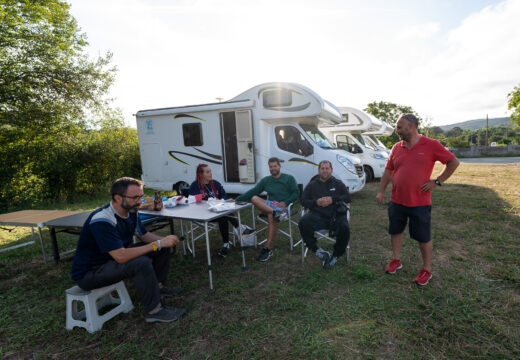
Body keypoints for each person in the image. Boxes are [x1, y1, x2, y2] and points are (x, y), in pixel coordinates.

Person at [70, 177, 186, 323]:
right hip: (90, 272)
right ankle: (154, 311)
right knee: (141, 262)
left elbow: (144, 235)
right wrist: (158, 243)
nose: (140, 201)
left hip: (112, 258)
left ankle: (158, 286)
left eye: (141, 197)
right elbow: (121, 257)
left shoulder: (131, 210)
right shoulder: (102, 220)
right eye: (135, 197)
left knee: (161, 248)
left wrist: (165, 241)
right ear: (118, 198)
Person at [376, 114, 459, 286]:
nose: (397, 131)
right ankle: (396, 260)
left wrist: (437, 181)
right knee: (395, 230)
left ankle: (426, 269)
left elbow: (453, 162)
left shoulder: (431, 145)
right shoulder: (396, 147)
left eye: (400, 127)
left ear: (412, 127)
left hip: (419, 203)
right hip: (397, 200)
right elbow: (387, 170)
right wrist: (381, 191)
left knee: (423, 237)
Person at [235, 157, 299, 262]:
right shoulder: (266, 180)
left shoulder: (289, 178)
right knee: (254, 198)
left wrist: (285, 202)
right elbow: (253, 191)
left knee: (270, 215)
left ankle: (267, 248)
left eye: (275, 166)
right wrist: (237, 199)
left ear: (279, 166)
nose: (273, 168)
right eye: (271, 167)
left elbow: (296, 193)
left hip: (284, 207)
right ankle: (274, 212)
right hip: (271, 205)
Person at [188, 164, 253, 257]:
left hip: (218, 212)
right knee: (224, 214)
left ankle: (226, 243)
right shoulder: (195, 186)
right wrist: (208, 202)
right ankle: (240, 228)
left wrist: (221, 201)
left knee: (224, 214)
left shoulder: (215, 183)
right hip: (204, 214)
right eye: (207, 172)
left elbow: (223, 195)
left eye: (210, 171)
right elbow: (192, 201)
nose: (210, 174)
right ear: (201, 174)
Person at [299, 160, 351, 269]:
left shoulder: (338, 183)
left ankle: (336, 255)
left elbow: (348, 197)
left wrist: (333, 199)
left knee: (345, 228)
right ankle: (317, 250)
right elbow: (303, 201)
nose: (325, 171)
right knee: (303, 222)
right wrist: (316, 202)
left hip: (336, 215)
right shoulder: (312, 185)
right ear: (319, 170)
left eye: (327, 168)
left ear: (331, 170)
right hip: (317, 215)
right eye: (322, 168)